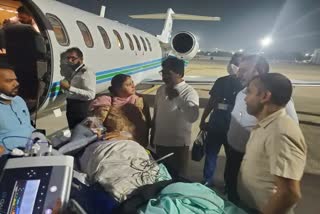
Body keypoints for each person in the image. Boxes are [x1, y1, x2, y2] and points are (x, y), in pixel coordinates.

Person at [225, 55, 299, 204]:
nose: (238, 74)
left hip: (256, 158)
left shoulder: (278, 101)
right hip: (234, 152)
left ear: (258, 72)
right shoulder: (242, 93)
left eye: (244, 70)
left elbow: (289, 130)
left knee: (253, 197)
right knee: (233, 187)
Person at [238, 73, 306, 214]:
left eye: (250, 92)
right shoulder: (266, 124)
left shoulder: (281, 132)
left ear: (265, 96)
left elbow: (289, 193)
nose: (245, 98)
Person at [199, 53, 243, 186]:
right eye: (232, 61)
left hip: (234, 126)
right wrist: (203, 119)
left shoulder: (246, 86)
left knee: (232, 159)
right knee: (211, 154)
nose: (232, 65)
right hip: (216, 123)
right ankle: (207, 180)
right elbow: (211, 102)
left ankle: (229, 185)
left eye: (237, 62)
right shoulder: (221, 81)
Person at [151, 57, 199, 176]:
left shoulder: (189, 92)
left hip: (178, 145)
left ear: (179, 73)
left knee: (178, 177)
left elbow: (192, 117)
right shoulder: (161, 90)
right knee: (162, 176)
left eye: (168, 73)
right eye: (163, 72)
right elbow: (157, 113)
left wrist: (177, 98)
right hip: (160, 142)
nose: (164, 76)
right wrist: (153, 134)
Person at [89, 74, 151, 147]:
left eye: (132, 83)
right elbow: (95, 128)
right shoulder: (106, 104)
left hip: (138, 146)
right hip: (117, 147)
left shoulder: (140, 101)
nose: (133, 86)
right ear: (118, 88)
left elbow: (148, 123)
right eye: (128, 85)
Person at [0, 64, 44, 154]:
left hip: (31, 151)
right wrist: (7, 153)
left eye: (16, 79)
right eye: (9, 81)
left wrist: (39, 138)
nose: (17, 84)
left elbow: (27, 126)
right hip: (8, 159)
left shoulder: (19, 101)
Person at [60, 47, 96, 130]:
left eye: (73, 58)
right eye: (68, 58)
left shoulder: (87, 72)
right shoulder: (75, 71)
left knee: (80, 133)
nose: (70, 61)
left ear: (81, 59)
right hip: (72, 107)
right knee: (73, 131)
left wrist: (69, 88)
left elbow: (91, 95)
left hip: (81, 109)